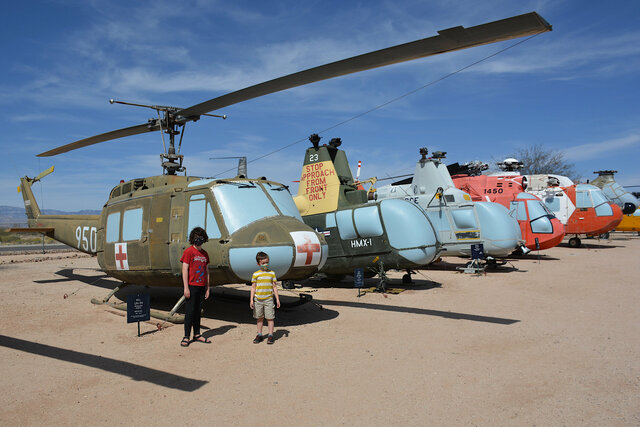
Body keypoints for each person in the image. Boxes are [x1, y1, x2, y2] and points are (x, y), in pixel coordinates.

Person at [179, 227, 211, 347]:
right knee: (190, 312)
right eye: (197, 237)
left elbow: (207, 271)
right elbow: (185, 269)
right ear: (193, 238)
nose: (199, 240)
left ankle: (197, 334)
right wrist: (186, 288)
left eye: (201, 237)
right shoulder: (188, 252)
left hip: (202, 287)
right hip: (192, 286)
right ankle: (186, 336)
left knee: (198, 311)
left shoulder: (205, 254)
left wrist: (208, 287)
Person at [250, 251, 281, 344]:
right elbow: (253, 287)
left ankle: (270, 335)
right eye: (263, 263)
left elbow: (274, 287)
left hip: (269, 300)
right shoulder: (256, 274)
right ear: (258, 264)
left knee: (270, 318)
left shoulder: (272, 273)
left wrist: (278, 299)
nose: (265, 265)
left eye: (267, 262)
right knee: (259, 318)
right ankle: (259, 334)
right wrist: (251, 299)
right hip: (258, 300)